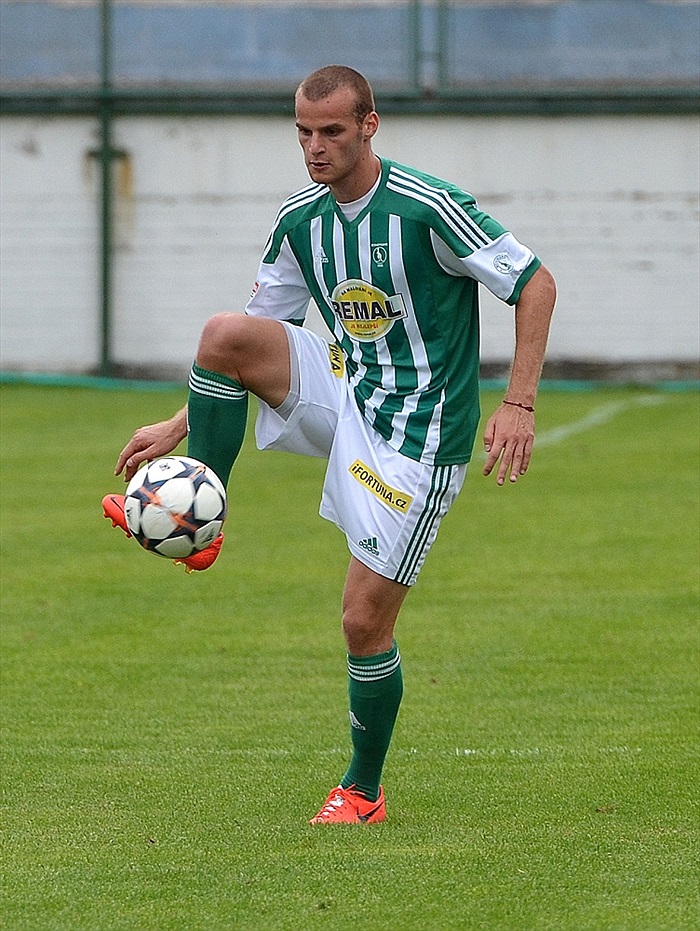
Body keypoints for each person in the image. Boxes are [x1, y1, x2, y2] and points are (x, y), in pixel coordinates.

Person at [103, 65, 556, 824]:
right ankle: (200, 511)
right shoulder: (300, 220)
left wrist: (518, 401)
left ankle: (363, 790)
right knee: (222, 335)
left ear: (369, 125)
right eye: (304, 132)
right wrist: (180, 420)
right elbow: (253, 336)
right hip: (346, 391)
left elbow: (534, 282)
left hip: (417, 434)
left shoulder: (427, 207)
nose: (315, 147)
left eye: (333, 132)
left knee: (362, 621)